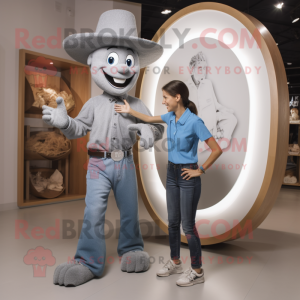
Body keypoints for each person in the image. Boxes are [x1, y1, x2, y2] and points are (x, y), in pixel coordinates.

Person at [114, 80, 223, 287]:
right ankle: (175, 262)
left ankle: (197, 270)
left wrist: (200, 170)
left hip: (187, 175)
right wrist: (130, 109)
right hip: (171, 173)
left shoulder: (194, 122)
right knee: (173, 222)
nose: (163, 101)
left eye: (165, 97)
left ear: (177, 97)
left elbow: (217, 149)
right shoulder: (170, 117)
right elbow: (147, 118)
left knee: (188, 226)